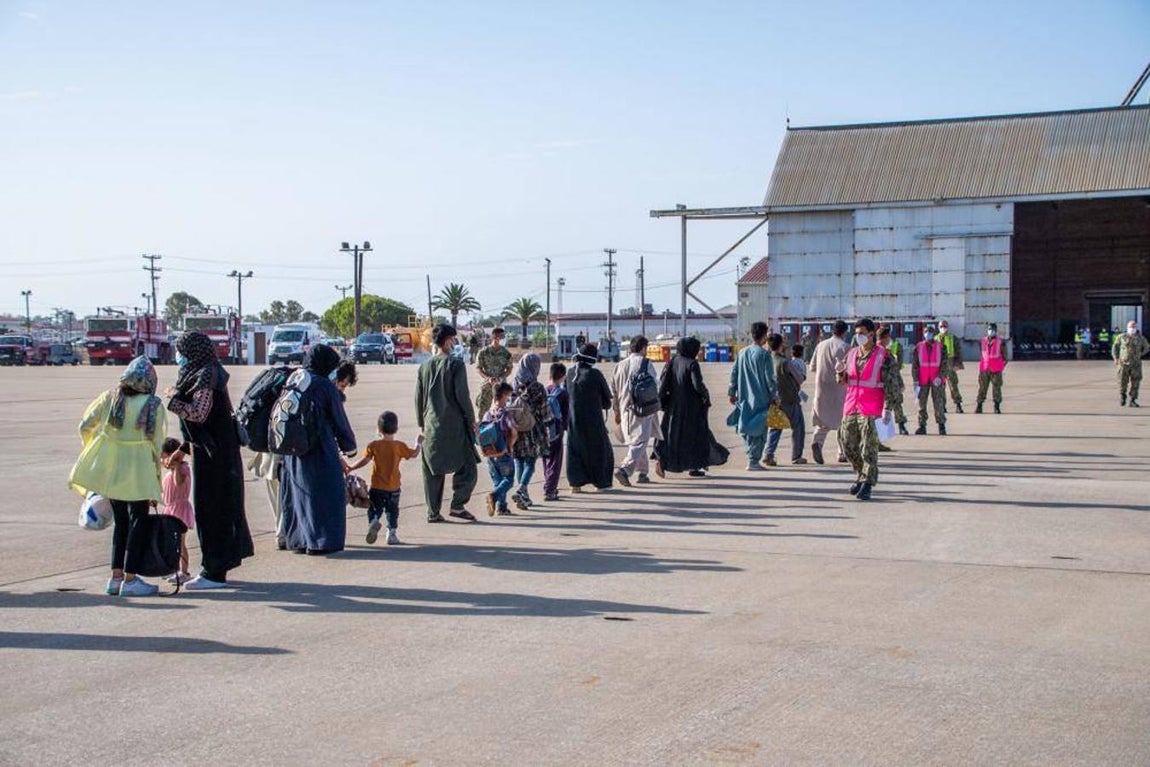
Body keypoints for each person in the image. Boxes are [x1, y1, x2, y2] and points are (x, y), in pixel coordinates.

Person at [70, 356, 167, 597]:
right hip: (139, 469)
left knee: (121, 523)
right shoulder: (153, 405)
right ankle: (132, 578)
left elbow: (85, 425)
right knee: (138, 522)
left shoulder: (110, 398)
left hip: (113, 469)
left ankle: (116, 577)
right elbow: (157, 443)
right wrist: (156, 478)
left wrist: (95, 446)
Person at [167, 332, 253, 590]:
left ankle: (214, 572)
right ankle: (214, 567)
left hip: (216, 458)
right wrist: (184, 447)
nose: (178, 356)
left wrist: (173, 399)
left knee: (214, 510)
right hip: (210, 453)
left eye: (180, 351)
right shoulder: (203, 371)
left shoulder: (207, 375)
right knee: (213, 509)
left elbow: (198, 412)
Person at [277, 344, 358, 555]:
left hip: (292, 451)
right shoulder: (324, 386)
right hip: (319, 450)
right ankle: (322, 541)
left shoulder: (294, 379)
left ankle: (299, 540)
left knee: (298, 496)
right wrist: (349, 447)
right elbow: (339, 419)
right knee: (325, 495)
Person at [416, 324, 480, 522]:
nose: (454, 342)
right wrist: (472, 420)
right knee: (468, 466)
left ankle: (433, 512)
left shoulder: (424, 367)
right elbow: (463, 396)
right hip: (454, 426)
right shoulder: (455, 364)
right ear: (446, 340)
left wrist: (422, 423)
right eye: (453, 339)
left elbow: (419, 398)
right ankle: (458, 505)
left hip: (430, 425)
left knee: (432, 470)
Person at [837, 319, 900, 501]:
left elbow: (892, 384)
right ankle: (861, 474)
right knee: (847, 445)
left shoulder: (884, 356)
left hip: (871, 408)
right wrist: (840, 372)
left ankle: (867, 483)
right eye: (857, 333)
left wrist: (888, 408)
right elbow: (843, 380)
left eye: (863, 333)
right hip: (851, 406)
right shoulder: (851, 354)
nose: (859, 336)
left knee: (868, 449)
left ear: (872, 334)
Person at [654, 337, 728, 477]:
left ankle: (662, 460)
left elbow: (664, 383)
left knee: (672, 436)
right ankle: (695, 465)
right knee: (695, 436)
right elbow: (697, 385)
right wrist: (706, 396)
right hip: (691, 407)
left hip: (673, 407)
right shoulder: (692, 364)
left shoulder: (673, 361)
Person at [345, 411, 422, 545]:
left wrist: (351, 467)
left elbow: (365, 460)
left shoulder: (373, 446)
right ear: (396, 429)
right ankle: (391, 534)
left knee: (374, 508)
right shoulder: (399, 446)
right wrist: (418, 443)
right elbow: (414, 454)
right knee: (392, 511)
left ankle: (374, 521)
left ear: (379, 429)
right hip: (394, 487)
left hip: (377, 487)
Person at [611, 335, 663, 487]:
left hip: (624, 408)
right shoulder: (645, 363)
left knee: (636, 440)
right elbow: (655, 384)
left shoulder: (619, 365)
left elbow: (613, 391)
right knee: (641, 440)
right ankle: (625, 470)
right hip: (642, 408)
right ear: (643, 348)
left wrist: (617, 412)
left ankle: (643, 472)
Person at [728, 321, 778, 471]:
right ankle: (753, 460)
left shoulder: (742, 353)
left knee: (746, 426)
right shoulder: (764, 355)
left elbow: (734, 373)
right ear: (764, 336)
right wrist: (775, 396)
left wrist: (732, 392)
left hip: (744, 396)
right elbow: (770, 379)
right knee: (760, 430)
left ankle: (751, 456)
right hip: (761, 397)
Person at [566, 343, 615, 492]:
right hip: (593, 421)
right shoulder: (595, 374)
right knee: (600, 451)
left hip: (573, 420)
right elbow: (607, 399)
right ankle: (601, 482)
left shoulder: (570, 373)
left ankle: (576, 483)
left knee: (575, 451)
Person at [509, 352, 551, 509]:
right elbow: (545, 411)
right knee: (530, 463)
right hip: (534, 430)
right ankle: (521, 489)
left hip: (516, 430)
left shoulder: (513, 384)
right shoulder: (537, 387)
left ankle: (523, 495)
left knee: (519, 460)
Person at [809, 320, 850, 464]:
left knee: (822, 422)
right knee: (843, 422)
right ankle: (842, 453)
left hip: (821, 388)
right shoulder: (846, 347)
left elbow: (812, 367)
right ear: (845, 332)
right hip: (839, 390)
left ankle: (817, 443)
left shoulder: (820, 345)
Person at [766, 333, 807, 466]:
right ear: (781, 345)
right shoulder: (785, 363)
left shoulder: (767, 360)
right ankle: (796, 456)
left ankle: (769, 454)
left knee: (775, 427)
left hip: (774, 399)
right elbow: (800, 378)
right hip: (789, 399)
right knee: (798, 426)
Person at [160, 437, 195, 584]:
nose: (162, 461)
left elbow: (178, 482)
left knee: (180, 543)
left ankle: (184, 571)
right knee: (171, 544)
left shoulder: (182, 469)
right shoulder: (169, 473)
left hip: (179, 510)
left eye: (163, 457)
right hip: (170, 509)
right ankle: (174, 569)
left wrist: (176, 465)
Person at [482, 383, 519, 516]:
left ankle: (501, 507)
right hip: (503, 452)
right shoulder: (505, 414)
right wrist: (508, 447)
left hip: (491, 454)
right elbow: (514, 432)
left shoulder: (487, 414)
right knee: (508, 479)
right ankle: (494, 496)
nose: (508, 399)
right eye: (508, 396)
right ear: (503, 395)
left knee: (498, 480)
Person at [913, 324, 949, 435]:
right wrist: (915, 379)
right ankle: (922, 426)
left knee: (938, 403)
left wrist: (941, 376)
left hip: (936, 380)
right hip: (922, 380)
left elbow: (944, 364)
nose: (927, 334)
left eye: (929, 332)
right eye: (925, 332)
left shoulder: (941, 347)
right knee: (921, 404)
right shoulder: (918, 347)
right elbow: (915, 365)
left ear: (934, 334)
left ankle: (941, 426)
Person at [542, 362, 570, 501]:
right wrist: (565, 428)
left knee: (546, 458)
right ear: (563, 377)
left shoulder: (544, 390)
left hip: (543, 430)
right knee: (555, 460)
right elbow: (566, 415)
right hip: (556, 430)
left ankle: (548, 483)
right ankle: (550, 489)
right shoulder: (563, 393)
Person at [877, 326, 910, 436]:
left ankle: (901, 425)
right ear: (883, 338)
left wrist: (900, 383)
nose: (889, 340)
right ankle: (881, 433)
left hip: (893, 385)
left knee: (898, 404)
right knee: (884, 410)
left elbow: (895, 370)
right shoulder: (875, 353)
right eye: (887, 337)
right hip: (883, 387)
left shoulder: (888, 352)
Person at [475, 327, 513, 416]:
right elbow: (478, 368)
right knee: (482, 411)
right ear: (495, 337)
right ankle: (481, 428)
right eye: (501, 337)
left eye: (503, 337)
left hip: (501, 386)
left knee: (502, 411)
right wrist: (487, 378)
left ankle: (500, 428)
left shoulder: (506, 353)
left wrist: (501, 378)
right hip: (487, 385)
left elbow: (509, 369)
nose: (503, 339)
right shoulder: (483, 352)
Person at [1113, 320, 1149, 407]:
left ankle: (1133, 400)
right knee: (1122, 381)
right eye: (1130, 327)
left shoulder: (1141, 338)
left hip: (1136, 364)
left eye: (1133, 327)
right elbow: (1115, 347)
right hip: (1123, 363)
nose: (1132, 328)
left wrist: (1140, 354)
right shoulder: (1121, 337)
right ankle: (1123, 396)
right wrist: (1116, 358)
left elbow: (1147, 347)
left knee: (1136, 382)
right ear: (1127, 327)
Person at [975, 323, 1007, 414]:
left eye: (992, 329)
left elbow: (1005, 357)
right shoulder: (982, 341)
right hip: (984, 368)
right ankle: (979, 405)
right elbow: (982, 354)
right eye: (989, 329)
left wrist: (1001, 367)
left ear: (995, 331)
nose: (990, 331)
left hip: (996, 369)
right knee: (982, 388)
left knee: (996, 388)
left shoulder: (1001, 342)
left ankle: (997, 407)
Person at [937, 319, 964, 413]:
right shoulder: (935, 339)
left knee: (953, 386)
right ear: (938, 327)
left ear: (947, 327)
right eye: (941, 326)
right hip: (939, 367)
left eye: (944, 326)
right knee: (940, 388)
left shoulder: (953, 338)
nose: (943, 328)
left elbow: (958, 351)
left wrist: (958, 364)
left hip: (950, 365)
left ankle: (958, 405)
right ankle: (942, 406)